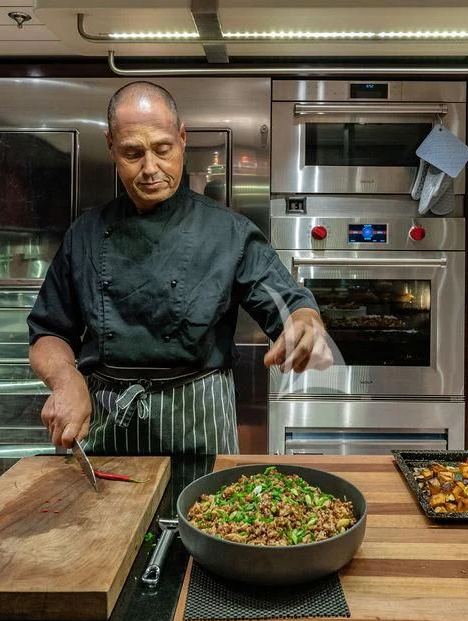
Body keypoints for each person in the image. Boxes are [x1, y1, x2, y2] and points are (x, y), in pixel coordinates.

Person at [28, 81, 331, 455]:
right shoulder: (85, 234)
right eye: (132, 153)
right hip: (108, 421)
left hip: (200, 420)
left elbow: (290, 303)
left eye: (162, 149)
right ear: (111, 147)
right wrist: (64, 379)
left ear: (182, 138)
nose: (150, 168)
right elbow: (48, 332)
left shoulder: (228, 232)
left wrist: (303, 323)